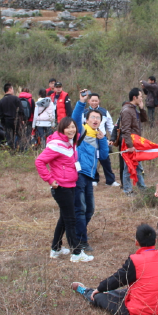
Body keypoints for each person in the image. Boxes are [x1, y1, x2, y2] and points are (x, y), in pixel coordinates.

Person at [71, 224, 158, 315]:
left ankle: (86, 292)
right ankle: (101, 292)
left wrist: (100, 288)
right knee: (125, 291)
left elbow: (118, 279)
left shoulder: (135, 260)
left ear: (137, 242)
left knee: (99, 297)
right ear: (156, 241)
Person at [35, 117, 94, 262]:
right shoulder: (56, 145)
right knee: (70, 219)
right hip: (61, 187)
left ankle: (56, 249)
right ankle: (76, 253)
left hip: (71, 184)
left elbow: (81, 130)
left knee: (64, 218)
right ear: (61, 129)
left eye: (73, 127)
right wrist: (50, 179)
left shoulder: (71, 142)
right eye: (67, 127)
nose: (71, 130)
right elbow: (39, 161)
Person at [71, 91, 109, 252]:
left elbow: (105, 156)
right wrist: (81, 102)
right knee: (81, 209)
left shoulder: (99, 136)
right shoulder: (81, 132)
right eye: (92, 117)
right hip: (78, 174)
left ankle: (76, 232)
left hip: (89, 176)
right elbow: (74, 117)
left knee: (90, 209)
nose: (95, 120)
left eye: (98, 118)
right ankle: (81, 240)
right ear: (87, 120)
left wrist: (103, 140)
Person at [86, 93, 119, 186]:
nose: (94, 102)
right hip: (89, 139)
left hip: (102, 138)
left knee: (105, 159)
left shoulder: (104, 112)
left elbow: (110, 126)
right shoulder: (84, 112)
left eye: (96, 100)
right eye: (92, 100)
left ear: (99, 101)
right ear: (89, 101)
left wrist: (113, 138)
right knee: (91, 158)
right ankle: (93, 179)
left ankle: (110, 180)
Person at [120, 88, 148, 194]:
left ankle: (142, 187)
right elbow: (125, 130)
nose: (141, 98)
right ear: (134, 97)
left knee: (138, 166)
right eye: (140, 96)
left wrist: (142, 109)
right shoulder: (127, 110)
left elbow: (144, 119)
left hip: (136, 142)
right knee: (128, 167)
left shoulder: (134, 109)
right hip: (129, 143)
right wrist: (130, 145)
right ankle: (127, 190)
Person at [0, 83, 23, 149]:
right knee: (20, 135)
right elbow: (21, 110)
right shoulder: (16, 99)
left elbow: (0, 114)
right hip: (16, 120)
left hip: (7, 121)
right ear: (10, 89)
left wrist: (3, 123)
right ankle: (20, 149)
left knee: (9, 137)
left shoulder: (1, 101)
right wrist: (21, 119)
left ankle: (11, 151)